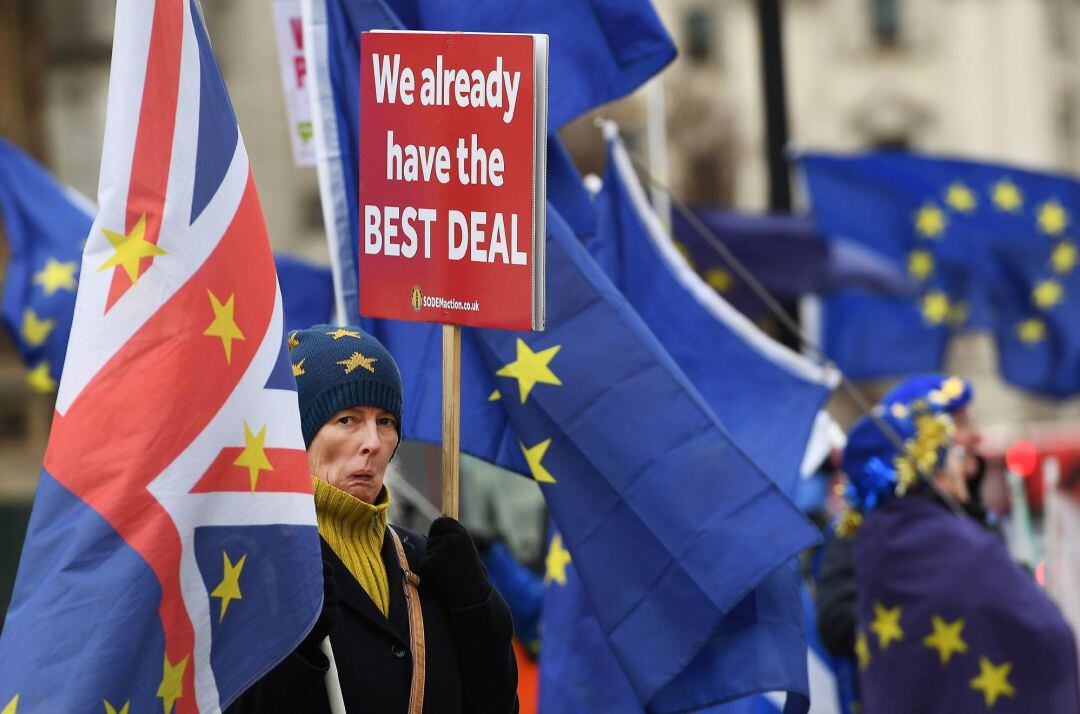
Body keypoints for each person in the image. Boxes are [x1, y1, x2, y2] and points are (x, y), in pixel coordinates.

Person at [228, 325, 519, 713]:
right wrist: (296, 645)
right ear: (300, 432)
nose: (373, 442)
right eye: (347, 419)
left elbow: (497, 705)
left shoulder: (426, 562)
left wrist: (477, 608)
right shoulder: (255, 564)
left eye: (385, 421)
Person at [838, 387, 1079, 712]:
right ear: (930, 466)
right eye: (958, 455)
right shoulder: (962, 546)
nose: (968, 469)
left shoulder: (873, 541)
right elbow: (1046, 633)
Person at [816, 374, 988, 659]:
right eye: (960, 424)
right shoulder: (859, 528)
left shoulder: (973, 513)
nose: (976, 436)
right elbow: (837, 624)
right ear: (919, 441)